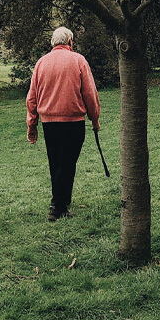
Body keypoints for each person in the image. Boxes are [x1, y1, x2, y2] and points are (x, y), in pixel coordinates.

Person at [26, 27, 101, 221]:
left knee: (56, 162)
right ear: (70, 42)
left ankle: (60, 202)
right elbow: (90, 94)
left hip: (49, 123)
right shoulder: (78, 60)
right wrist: (95, 118)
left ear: (53, 42)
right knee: (67, 163)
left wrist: (32, 124)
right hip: (73, 121)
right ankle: (58, 205)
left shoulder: (41, 63)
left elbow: (32, 97)